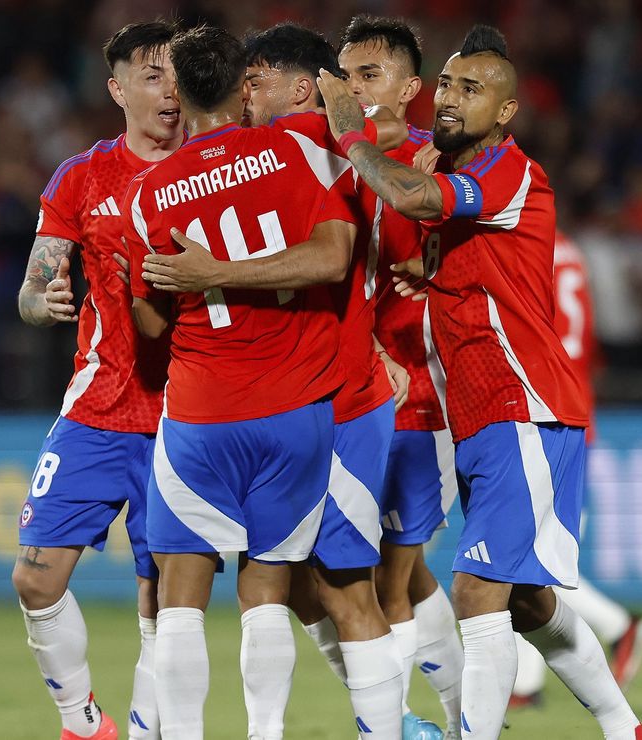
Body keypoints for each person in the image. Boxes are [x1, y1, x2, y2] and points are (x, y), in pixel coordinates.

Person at [316, 24, 642, 740]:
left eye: (472, 90)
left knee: (477, 593)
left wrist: (352, 136)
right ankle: (628, 730)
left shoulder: (508, 170)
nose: (450, 98)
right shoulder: (455, 172)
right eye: (446, 83)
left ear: (504, 113)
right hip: (479, 414)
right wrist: (428, 275)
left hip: (522, 404)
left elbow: (411, 195)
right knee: (527, 602)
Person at [133, 21, 416, 739]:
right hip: (302, 406)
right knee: (280, 588)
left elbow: (149, 314)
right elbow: (339, 239)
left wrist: (206, 278)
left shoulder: (150, 192)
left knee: (191, 595)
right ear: (241, 83)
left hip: (237, 406)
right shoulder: (308, 147)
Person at [12, 20, 180, 740]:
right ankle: (83, 722)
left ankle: (145, 732)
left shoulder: (211, 166)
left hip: (186, 415)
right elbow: (31, 287)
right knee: (35, 577)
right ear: (117, 89)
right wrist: (42, 301)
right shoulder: (81, 176)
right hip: (98, 406)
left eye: (176, 74)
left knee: (163, 601)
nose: (169, 89)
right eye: (151, 76)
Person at [337, 16, 465, 739]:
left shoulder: (437, 166)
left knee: (391, 577)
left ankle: (390, 729)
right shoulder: (327, 163)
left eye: (372, 75)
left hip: (421, 396)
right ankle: (457, 717)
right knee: (400, 577)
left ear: (411, 88)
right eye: (347, 75)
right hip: (347, 394)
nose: (355, 89)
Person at [511, 230, 642, 707]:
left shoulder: (518, 242)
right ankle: (527, 686)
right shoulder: (572, 250)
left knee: (529, 553)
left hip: (542, 401)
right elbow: (588, 340)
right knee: (527, 552)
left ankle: (619, 623)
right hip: (573, 399)